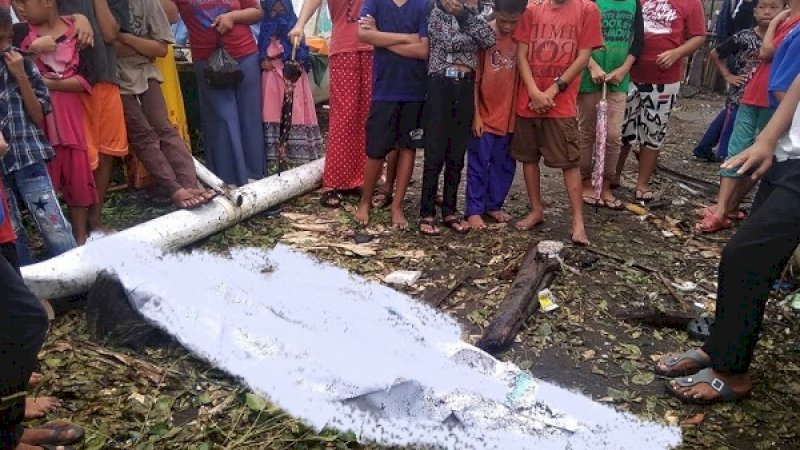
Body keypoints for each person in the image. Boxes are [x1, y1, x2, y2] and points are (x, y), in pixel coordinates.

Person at [657, 73, 800, 405]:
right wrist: (766, 140)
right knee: (758, 264)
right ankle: (720, 348)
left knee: (744, 258)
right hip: (787, 157)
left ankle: (732, 373)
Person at [696, 1, 800, 233]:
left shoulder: (792, 24)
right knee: (737, 150)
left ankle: (728, 207)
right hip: (751, 94)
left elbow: (766, 52)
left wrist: (774, 22)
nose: (768, 12)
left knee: (760, 155)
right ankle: (722, 208)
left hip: (775, 102)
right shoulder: (786, 22)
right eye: (763, 7)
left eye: (774, 8)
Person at [510, 0, 604, 245]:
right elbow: (521, 52)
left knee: (569, 161)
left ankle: (578, 222)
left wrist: (552, 91)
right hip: (528, 100)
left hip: (560, 104)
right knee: (529, 158)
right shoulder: (531, 9)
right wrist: (533, 91)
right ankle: (536, 210)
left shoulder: (587, 10)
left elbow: (584, 56)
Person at [114, 0, 215, 209]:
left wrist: (126, 37)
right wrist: (142, 44)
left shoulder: (148, 3)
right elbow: (110, 47)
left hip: (146, 71)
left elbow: (160, 48)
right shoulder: (103, 5)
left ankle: (189, 185)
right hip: (116, 76)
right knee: (143, 134)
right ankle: (175, 190)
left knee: (165, 129)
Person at [0, 8, 78, 265]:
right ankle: (31, 288)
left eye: (8, 39)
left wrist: (20, 75)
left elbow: (38, 115)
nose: (6, 47)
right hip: (2, 167)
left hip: (28, 155)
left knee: (52, 223)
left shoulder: (24, 65)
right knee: (12, 232)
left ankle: (74, 275)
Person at [17, 0, 98, 246]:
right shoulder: (20, 33)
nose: (19, 7)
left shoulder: (79, 32)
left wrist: (44, 82)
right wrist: (31, 51)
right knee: (45, 181)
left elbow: (88, 80)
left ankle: (80, 237)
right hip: (38, 125)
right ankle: (55, 239)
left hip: (70, 121)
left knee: (78, 179)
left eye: (24, 2)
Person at [614, 0, 706, 201]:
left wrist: (677, 53)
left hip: (665, 78)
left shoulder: (691, 3)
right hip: (628, 74)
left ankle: (642, 183)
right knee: (621, 130)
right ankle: (613, 176)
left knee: (653, 130)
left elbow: (699, 36)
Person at [420, 0, 495, 235]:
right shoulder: (432, 10)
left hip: (464, 86)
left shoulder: (481, 12)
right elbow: (449, 42)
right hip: (439, 84)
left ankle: (450, 211)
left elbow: (488, 40)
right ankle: (426, 212)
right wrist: (467, 30)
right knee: (434, 152)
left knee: (457, 152)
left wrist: (464, 16)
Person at [352, 0, 429, 229]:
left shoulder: (422, 5)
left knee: (408, 148)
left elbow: (423, 50)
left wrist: (381, 38)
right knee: (376, 149)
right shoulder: (374, 2)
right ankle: (365, 201)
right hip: (384, 89)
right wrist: (406, 37)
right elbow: (363, 35)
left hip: (414, 90)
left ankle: (397, 205)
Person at [173, 0, 266, 187]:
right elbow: (169, 17)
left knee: (249, 120)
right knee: (223, 120)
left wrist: (232, 16)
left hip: (244, 54)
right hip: (208, 63)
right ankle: (229, 184)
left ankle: (256, 180)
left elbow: (258, 12)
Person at [290, 0, 372, 208]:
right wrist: (300, 24)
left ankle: (364, 178)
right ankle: (333, 181)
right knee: (344, 115)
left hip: (374, 47)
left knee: (368, 115)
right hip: (343, 47)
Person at [464, 0, 526, 231]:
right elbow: (475, 77)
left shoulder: (523, 35)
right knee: (479, 163)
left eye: (513, 22)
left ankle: (493, 204)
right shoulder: (484, 35)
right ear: (495, 11)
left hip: (511, 114)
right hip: (486, 113)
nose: (508, 27)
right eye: (503, 21)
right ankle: (473, 210)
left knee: (505, 163)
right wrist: (476, 115)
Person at [577, 0, 644, 209]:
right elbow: (577, 35)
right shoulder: (591, 3)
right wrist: (592, 65)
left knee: (614, 136)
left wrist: (624, 69)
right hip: (590, 76)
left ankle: (605, 184)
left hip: (618, 80)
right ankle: (585, 181)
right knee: (586, 132)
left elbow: (638, 41)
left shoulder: (634, 3)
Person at [258, 0, 324, 164]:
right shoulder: (265, 27)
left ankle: (296, 157)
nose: (277, 9)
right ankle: (274, 158)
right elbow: (262, 48)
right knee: (271, 111)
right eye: (274, 6)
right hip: (272, 77)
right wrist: (263, 59)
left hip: (292, 77)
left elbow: (300, 52)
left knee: (295, 111)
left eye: (281, 4)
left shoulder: (294, 26)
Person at [692, 0, 758, 161]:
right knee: (735, 109)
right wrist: (728, 74)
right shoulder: (745, 18)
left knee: (732, 108)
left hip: (744, 59)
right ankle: (724, 152)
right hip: (743, 59)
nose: (768, 11)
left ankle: (707, 147)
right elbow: (722, 35)